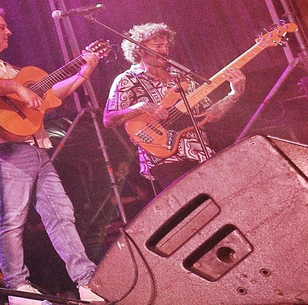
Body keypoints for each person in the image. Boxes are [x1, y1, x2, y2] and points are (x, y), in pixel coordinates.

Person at [0, 7, 103, 305]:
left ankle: (87, 282)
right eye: (1, 27)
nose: (8, 32)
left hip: (36, 147)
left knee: (62, 215)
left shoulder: (7, 67)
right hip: (2, 149)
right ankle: (18, 288)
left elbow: (49, 97)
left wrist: (84, 70)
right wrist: (15, 86)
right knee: (11, 219)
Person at [103, 22, 244, 194]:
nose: (164, 50)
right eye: (158, 45)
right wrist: (141, 107)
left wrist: (234, 94)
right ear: (139, 50)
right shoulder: (127, 79)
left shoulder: (181, 77)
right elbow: (108, 119)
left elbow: (210, 114)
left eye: (166, 46)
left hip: (200, 153)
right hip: (164, 157)